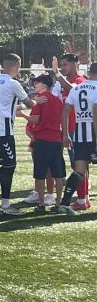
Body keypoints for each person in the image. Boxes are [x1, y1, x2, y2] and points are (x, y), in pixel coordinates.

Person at [0, 53, 37, 215]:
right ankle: (0, 202)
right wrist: (36, 102)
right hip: (3, 130)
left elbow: (8, 106)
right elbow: (29, 103)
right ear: (16, 67)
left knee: (7, 166)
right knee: (10, 165)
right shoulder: (13, 83)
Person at [49, 53, 88, 209]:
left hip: (78, 131)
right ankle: (82, 198)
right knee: (78, 166)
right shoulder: (65, 82)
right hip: (68, 129)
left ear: (74, 64)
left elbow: (72, 90)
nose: (62, 68)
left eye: (65, 65)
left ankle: (81, 200)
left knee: (78, 166)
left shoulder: (80, 81)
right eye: (61, 65)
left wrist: (57, 74)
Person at [23, 74, 66, 212]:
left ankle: (41, 203)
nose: (35, 85)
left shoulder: (40, 100)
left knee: (40, 173)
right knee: (58, 173)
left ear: (44, 85)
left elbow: (35, 120)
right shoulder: (58, 100)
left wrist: (23, 115)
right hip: (56, 139)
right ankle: (58, 203)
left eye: (37, 83)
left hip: (42, 140)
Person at [59, 62, 97, 215]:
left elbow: (65, 112)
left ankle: (65, 202)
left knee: (79, 171)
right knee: (80, 171)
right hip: (93, 134)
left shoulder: (77, 88)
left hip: (80, 134)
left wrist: (65, 134)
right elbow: (95, 113)